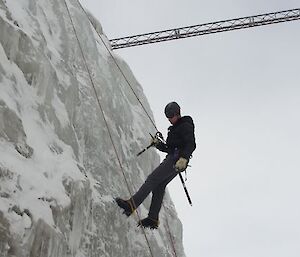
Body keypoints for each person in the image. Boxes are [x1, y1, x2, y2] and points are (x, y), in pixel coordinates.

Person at [116, 102, 196, 229]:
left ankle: (131, 204)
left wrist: (184, 158)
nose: (169, 119)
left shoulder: (185, 125)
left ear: (177, 113)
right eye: (167, 117)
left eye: (171, 116)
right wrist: (158, 144)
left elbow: (191, 144)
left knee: (152, 179)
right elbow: (169, 148)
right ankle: (153, 218)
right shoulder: (174, 128)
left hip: (177, 160)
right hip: (175, 159)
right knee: (159, 185)